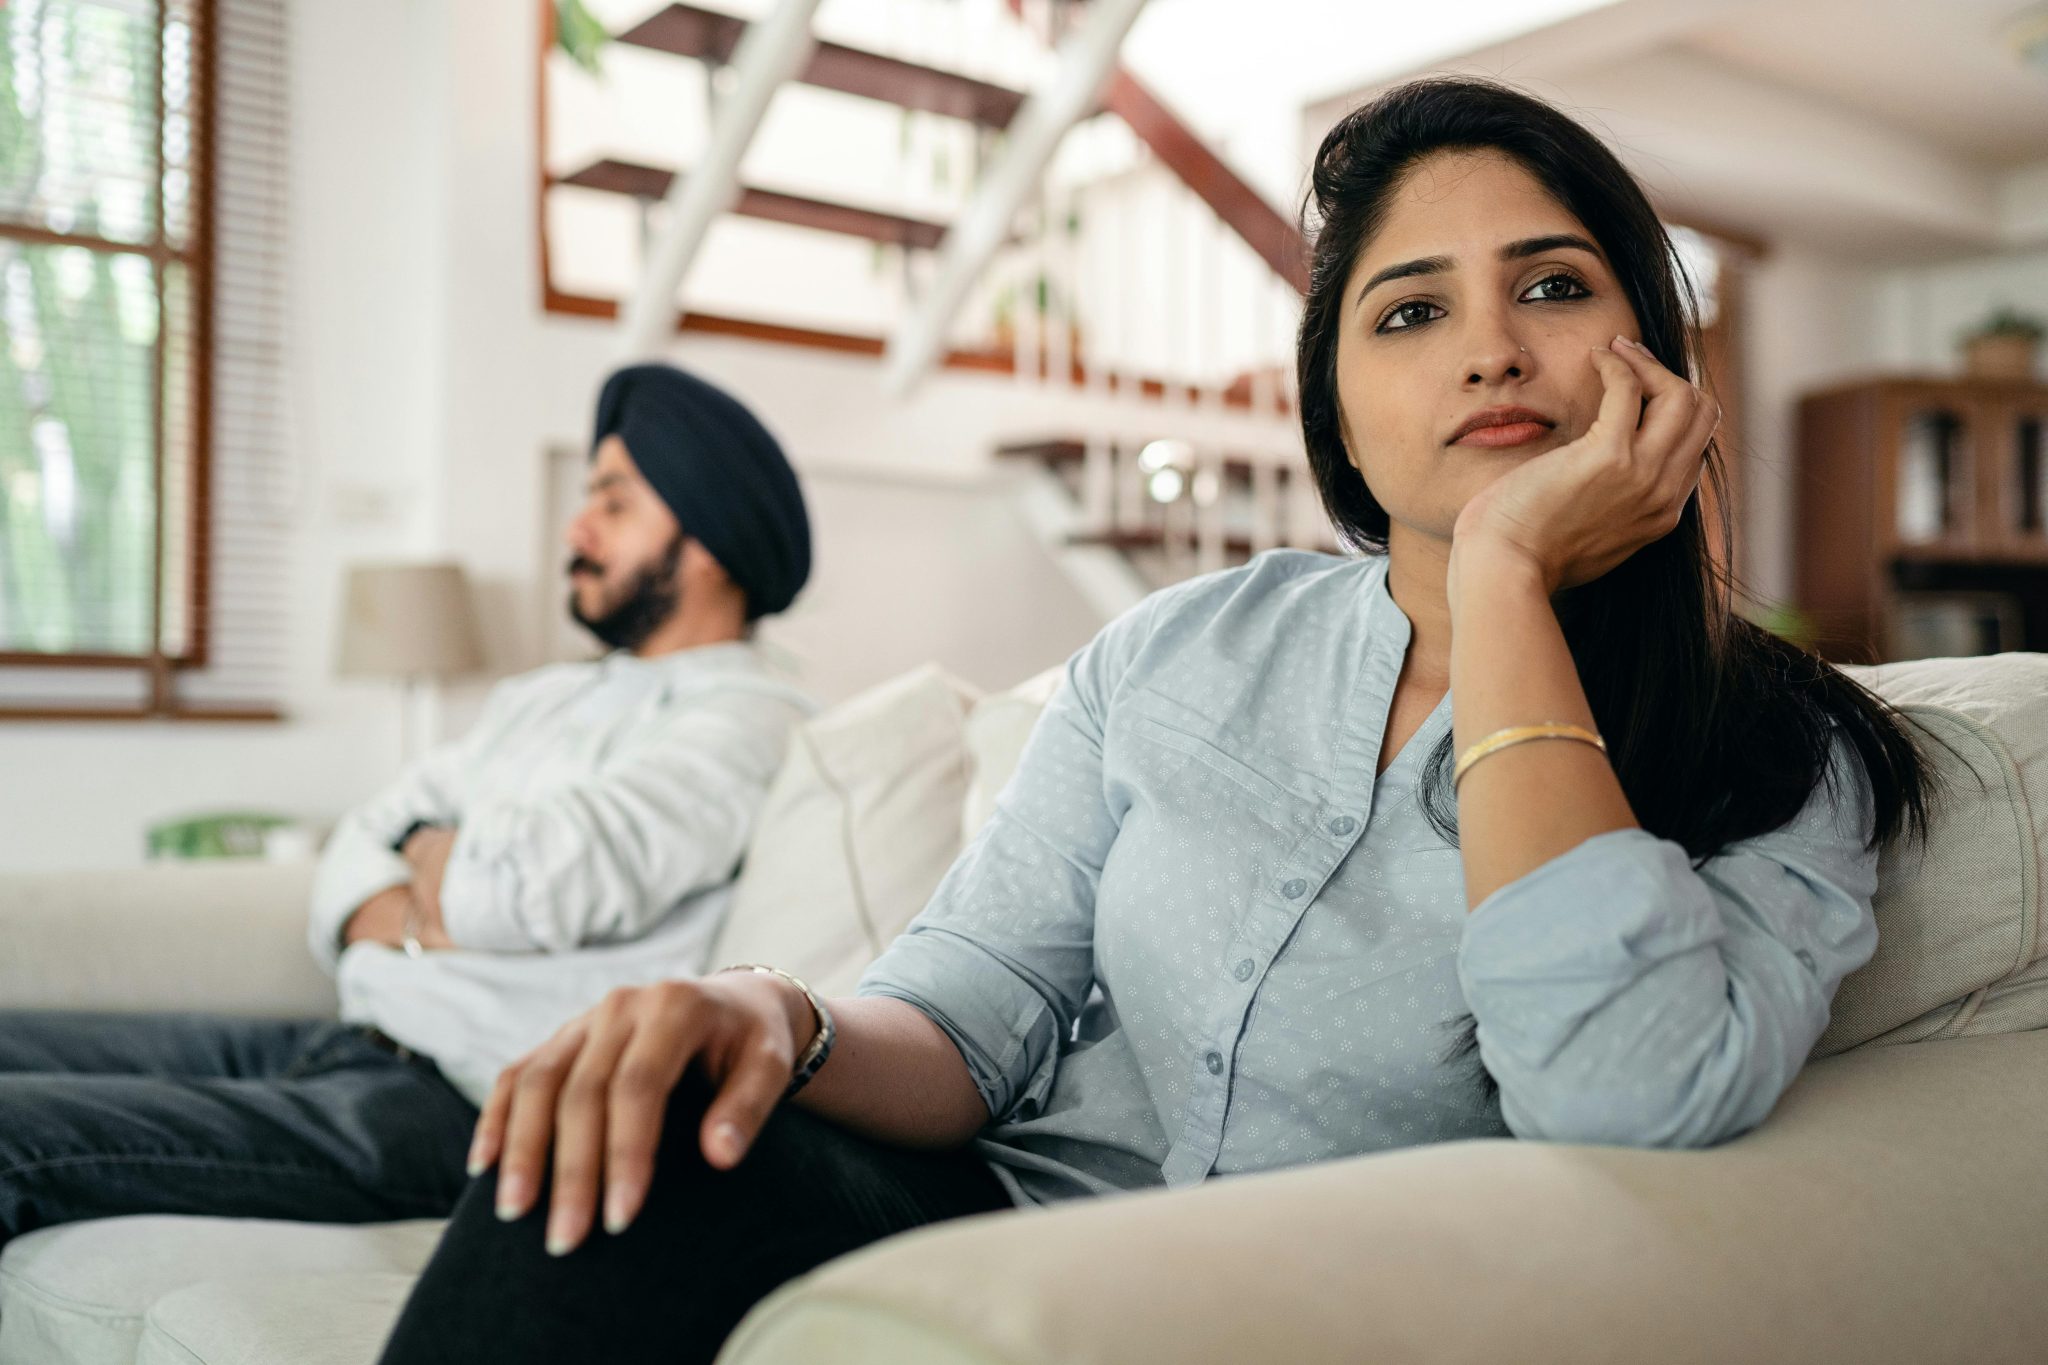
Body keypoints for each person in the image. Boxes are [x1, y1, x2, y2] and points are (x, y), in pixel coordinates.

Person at [377, 78, 1954, 1365]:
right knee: (626, 1147)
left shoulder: (1780, 747)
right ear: (1334, 402)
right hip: (981, 1231)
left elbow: (1622, 1086)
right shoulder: (1180, 649)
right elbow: (979, 1006)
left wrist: (1505, 578)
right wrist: (767, 1012)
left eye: (1553, 287)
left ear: (1654, 365)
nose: (1490, 349)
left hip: (1313, 1308)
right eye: (1408, 313)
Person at [0, 362, 819, 1251]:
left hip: (452, 1105)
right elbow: (365, 836)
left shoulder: (751, 717)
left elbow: (520, 888)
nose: (576, 529)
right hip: (346, 1039)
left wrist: (435, 871)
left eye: (614, 504)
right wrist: (430, 894)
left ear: (709, 542)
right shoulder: (542, 698)